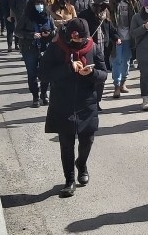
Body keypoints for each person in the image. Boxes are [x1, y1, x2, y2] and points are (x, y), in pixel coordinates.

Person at [39, 18, 107, 198]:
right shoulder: (56, 46)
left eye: (84, 39)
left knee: (87, 140)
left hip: (87, 102)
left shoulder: (92, 47)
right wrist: (69, 67)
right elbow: (44, 73)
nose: (82, 42)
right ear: (70, 36)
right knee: (66, 143)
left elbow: (103, 74)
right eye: (78, 39)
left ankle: (82, 164)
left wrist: (91, 73)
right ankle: (69, 180)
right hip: (63, 101)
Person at [108, 0, 137, 98]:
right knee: (116, 61)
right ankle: (116, 85)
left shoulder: (132, 2)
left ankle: (123, 83)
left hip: (129, 37)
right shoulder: (112, 3)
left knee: (126, 60)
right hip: (116, 37)